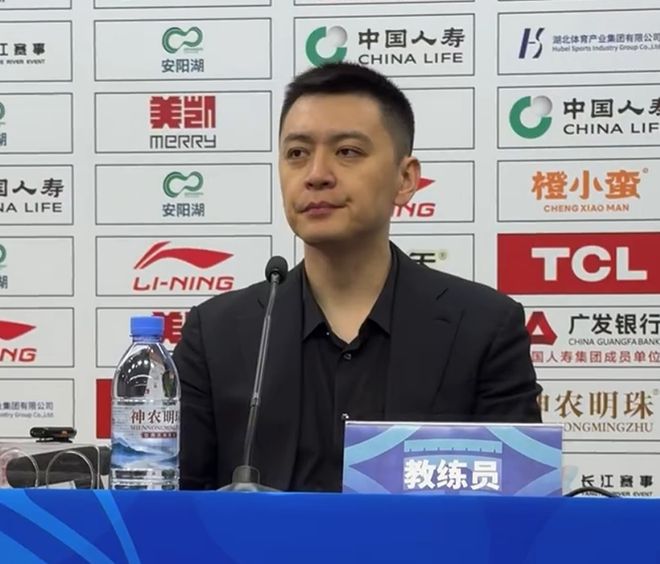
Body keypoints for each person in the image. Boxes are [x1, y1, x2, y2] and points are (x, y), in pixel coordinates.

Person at [173, 62, 542, 492]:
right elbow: (168, 505)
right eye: (297, 153)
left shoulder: (483, 327)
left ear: (405, 179)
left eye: (347, 151)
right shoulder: (216, 333)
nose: (316, 174)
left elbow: (515, 509)